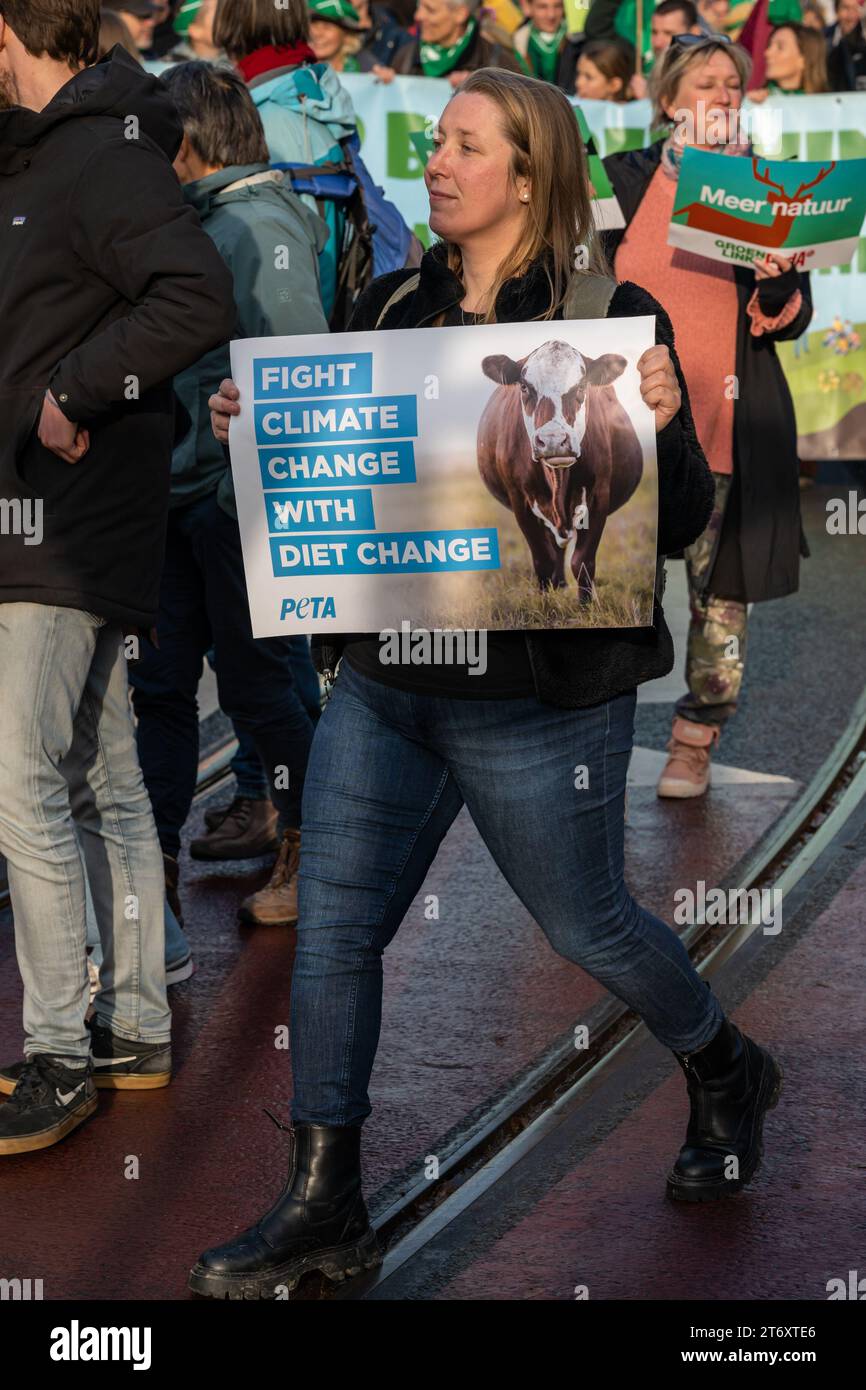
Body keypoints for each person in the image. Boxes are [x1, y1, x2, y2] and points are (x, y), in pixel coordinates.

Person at [190, 67, 784, 1299]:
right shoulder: (392, 300)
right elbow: (343, 473)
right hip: (388, 685)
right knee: (335, 930)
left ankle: (724, 1064)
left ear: (529, 174)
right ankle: (324, 1199)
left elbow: (664, 526)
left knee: (586, 923)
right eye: (439, 145)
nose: (437, 165)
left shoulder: (612, 315)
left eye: (464, 147)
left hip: (534, 697)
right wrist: (265, 425)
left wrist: (664, 423)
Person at [0, 1, 235, 1154]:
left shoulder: (101, 152)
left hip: (59, 527)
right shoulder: (69, 147)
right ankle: (134, 1025)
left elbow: (193, 295)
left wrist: (75, 391)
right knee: (98, 776)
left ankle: (57, 1051)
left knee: (23, 783)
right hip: (59, 522)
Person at [128, 61, 328, 924]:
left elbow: (293, 376)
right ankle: (156, 867)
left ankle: (311, 846)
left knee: (256, 690)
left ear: (190, 144)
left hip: (226, 506)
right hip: (181, 498)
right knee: (164, 690)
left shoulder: (251, 226)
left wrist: (243, 507)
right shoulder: (216, 217)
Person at [604, 35, 811, 796]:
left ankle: (695, 737)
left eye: (734, 84)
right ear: (668, 101)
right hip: (624, 429)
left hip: (722, 426)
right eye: (705, 84)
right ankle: (597, 730)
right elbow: (582, 278)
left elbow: (788, 318)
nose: (723, 96)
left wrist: (773, 283)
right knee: (617, 592)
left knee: (717, 598)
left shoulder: (763, 185)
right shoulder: (618, 179)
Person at [213, 0, 416, 324]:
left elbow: (309, 262)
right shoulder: (293, 96)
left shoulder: (279, 120)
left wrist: (306, 355)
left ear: (232, 23)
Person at [387, 0, 526, 82]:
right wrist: (386, 85)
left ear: (460, 14)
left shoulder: (499, 63)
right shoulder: (405, 56)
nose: (418, 16)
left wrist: (481, 85)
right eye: (419, 6)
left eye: (430, 10)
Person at [750, 18, 830, 95]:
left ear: (803, 60)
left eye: (780, 47)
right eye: (769, 45)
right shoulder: (757, 103)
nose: (767, 53)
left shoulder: (832, 104)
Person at [512, 0, 569, 83]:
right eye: (542, 7)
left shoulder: (575, 41)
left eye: (557, 6)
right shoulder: (518, 44)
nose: (551, 15)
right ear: (527, 7)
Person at [307, 0, 366, 68]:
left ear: (347, 35)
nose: (317, 34)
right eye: (314, 24)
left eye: (327, 27)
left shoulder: (366, 71)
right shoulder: (293, 72)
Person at [826, 0, 866, 87]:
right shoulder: (824, 38)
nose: (851, 15)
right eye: (846, 8)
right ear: (836, 10)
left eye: (856, 8)